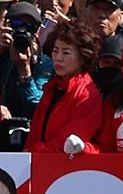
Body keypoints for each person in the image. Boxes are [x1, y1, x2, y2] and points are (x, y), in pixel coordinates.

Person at [27, 19, 103, 153]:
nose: (58, 57)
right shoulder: (52, 88)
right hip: (39, 162)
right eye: (56, 51)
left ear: (82, 58)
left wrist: (34, 152)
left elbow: (69, 142)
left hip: (67, 168)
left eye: (66, 52)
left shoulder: (86, 94)